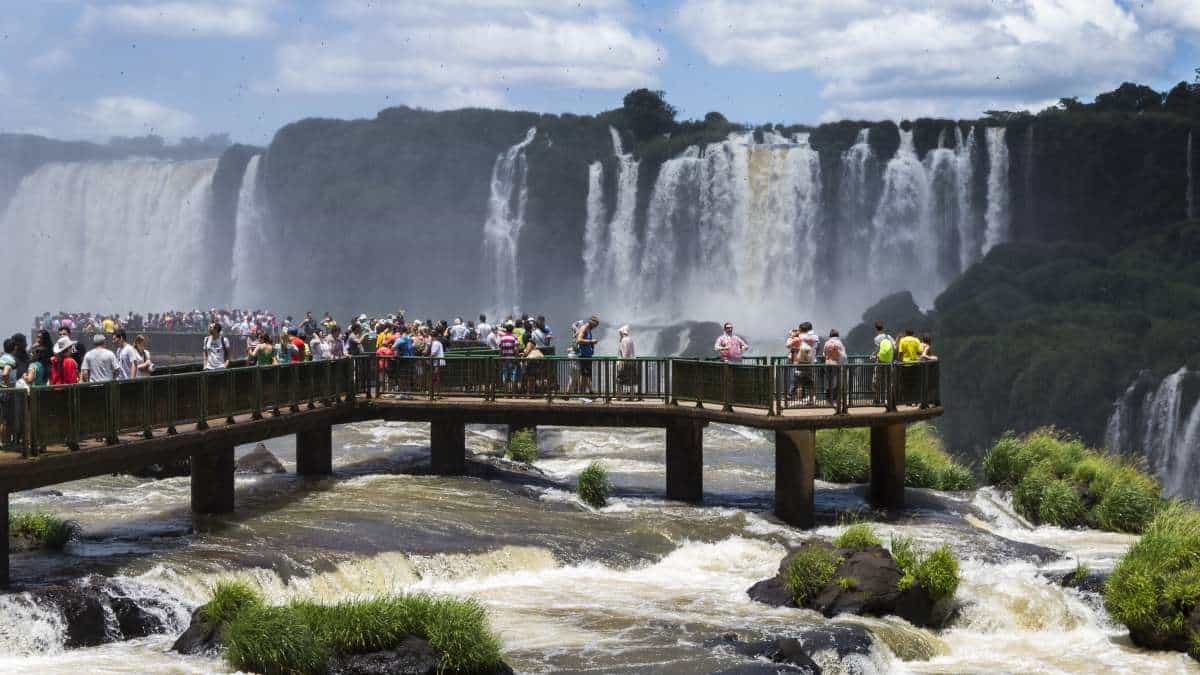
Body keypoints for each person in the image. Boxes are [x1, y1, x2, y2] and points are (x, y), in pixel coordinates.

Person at [574, 315, 599, 395]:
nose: (595, 327)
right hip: (583, 356)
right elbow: (579, 340)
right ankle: (582, 394)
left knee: (585, 376)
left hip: (587, 356)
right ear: (592, 323)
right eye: (595, 326)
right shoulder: (584, 328)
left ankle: (584, 394)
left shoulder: (588, 329)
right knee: (584, 376)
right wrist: (591, 341)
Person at [822, 329, 847, 405]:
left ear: (830, 335)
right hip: (836, 364)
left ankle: (828, 401)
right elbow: (843, 356)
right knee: (836, 382)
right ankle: (835, 400)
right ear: (837, 335)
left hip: (827, 364)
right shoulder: (839, 343)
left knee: (828, 382)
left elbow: (824, 354)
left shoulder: (827, 343)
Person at [499, 323, 520, 392]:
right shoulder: (514, 338)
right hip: (512, 359)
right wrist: (517, 358)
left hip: (504, 359)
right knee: (513, 375)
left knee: (505, 375)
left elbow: (501, 349)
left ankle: (506, 392)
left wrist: (501, 358)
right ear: (512, 330)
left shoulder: (502, 338)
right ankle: (513, 392)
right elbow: (516, 349)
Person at [616, 325, 637, 397]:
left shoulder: (624, 340)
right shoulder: (630, 339)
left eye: (620, 333)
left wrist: (623, 361)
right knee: (631, 379)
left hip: (624, 362)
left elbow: (625, 352)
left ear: (622, 332)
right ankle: (632, 395)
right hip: (631, 361)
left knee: (620, 378)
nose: (619, 335)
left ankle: (619, 395)